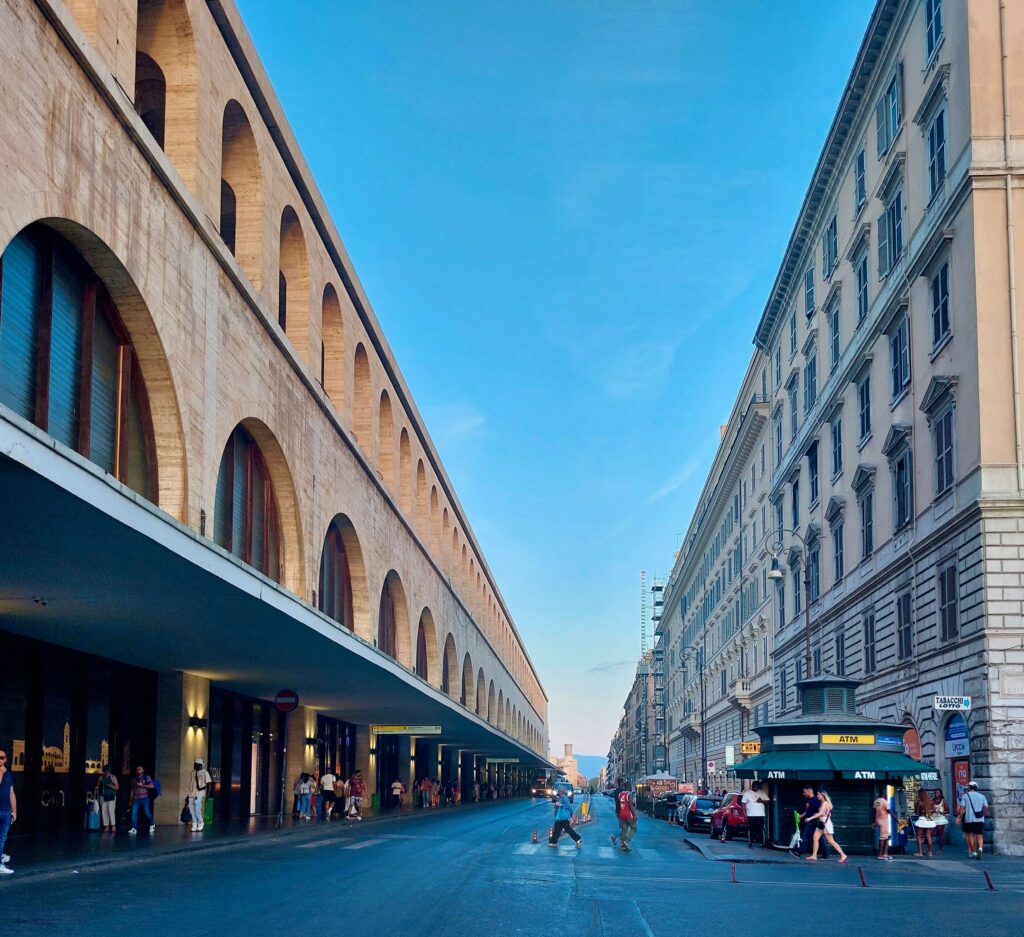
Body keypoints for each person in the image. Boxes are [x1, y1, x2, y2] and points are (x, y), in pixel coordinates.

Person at [806, 789, 848, 863]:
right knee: (815, 838)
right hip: (821, 823)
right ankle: (814, 855)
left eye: (818, 794)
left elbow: (821, 813)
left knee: (831, 841)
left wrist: (810, 818)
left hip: (825, 824)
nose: (817, 796)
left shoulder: (825, 803)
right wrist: (817, 815)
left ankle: (843, 855)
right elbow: (828, 814)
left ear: (823, 795)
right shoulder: (824, 803)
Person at [957, 780, 989, 859]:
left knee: (970, 835)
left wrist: (959, 817)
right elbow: (986, 807)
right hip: (980, 819)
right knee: (979, 835)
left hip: (969, 819)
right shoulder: (982, 796)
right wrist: (982, 814)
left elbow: (962, 808)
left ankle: (974, 851)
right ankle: (980, 849)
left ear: (969, 787)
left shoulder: (965, 796)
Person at [792, 786, 825, 858]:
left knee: (806, 836)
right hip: (810, 821)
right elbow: (808, 811)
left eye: (805, 792)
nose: (803, 793)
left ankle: (799, 852)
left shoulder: (816, 800)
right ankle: (825, 853)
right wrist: (801, 816)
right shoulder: (809, 800)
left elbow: (820, 810)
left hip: (813, 822)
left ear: (809, 791)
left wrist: (817, 816)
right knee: (819, 838)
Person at [610, 777, 637, 853]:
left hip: (618, 811)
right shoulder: (626, 793)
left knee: (623, 827)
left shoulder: (617, 792)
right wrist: (634, 814)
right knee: (631, 828)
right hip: (626, 812)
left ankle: (622, 844)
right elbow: (630, 805)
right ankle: (622, 841)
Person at [0, 749, 16, 875]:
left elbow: (11, 793)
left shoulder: (9, 775)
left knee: (2, 838)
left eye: (1, 757)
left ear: (5, 759)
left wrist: (14, 811)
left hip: (5, 811)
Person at [129, 765, 156, 835]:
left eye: (140, 769)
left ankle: (152, 824)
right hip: (136, 798)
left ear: (143, 770)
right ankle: (134, 828)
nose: (138, 770)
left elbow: (152, 786)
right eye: (137, 769)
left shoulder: (146, 777)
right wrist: (130, 800)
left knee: (147, 813)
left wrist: (142, 785)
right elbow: (132, 789)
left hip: (144, 798)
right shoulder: (134, 779)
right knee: (134, 814)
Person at [187, 759, 211, 832]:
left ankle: (200, 822)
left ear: (200, 765)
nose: (195, 765)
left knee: (197, 809)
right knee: (191, 809)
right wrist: (188, 794)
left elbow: (209, 783)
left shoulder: (204, 772)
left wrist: (207, 794)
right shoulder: (192, 772)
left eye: (196, 764)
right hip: (191, 793)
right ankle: (194, 823)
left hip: (199, 793)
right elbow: (191, 783)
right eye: (195, 764)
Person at [741, 782, 768, 848]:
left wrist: (761, 801)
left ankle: (762, 843)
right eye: (755, 787)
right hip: (751, 815)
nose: (756, 788)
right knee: (751, 829)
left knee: (761, 829)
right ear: (752, 786)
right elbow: (743, 804)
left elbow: (768, 800)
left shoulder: (762, 792)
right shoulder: (747, 793)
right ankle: (751, 842)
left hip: (761, 814)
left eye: (757, 787)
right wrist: (745, 814)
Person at [94, 764, 119, 833]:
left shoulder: (113, 777)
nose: (107, 773)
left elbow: (117, 787)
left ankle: (113, 825)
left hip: (111, 796)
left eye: (108, 771)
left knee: (111, 810)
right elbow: (98, 786)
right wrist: (97, 788)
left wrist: (111, 786)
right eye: (106, 771)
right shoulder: (101, 777)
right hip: (103, 796)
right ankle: (106, 826)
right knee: (104, 811)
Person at [914, 788, 936, 858]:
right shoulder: (931, 802)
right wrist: (929, 813)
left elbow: (917, 812)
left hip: (921, 819)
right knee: (928, 836)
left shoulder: (920, 803)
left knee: (919, 836)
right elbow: (934, 811)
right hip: (929, 820)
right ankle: (930, 852)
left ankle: (920, 852)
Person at [873, 792, 894, 861]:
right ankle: (880, 855)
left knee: (886, 837)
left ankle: (885, 853)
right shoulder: (885, 802)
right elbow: (889, 811)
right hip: (884, 821)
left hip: (878, 820)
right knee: (882, 838)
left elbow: (874, 812)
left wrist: (874, 822)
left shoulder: (876, 801)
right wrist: (897, 820)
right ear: (884, 794)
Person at [931, 789, 949, 853]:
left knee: (940, 834)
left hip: (940, 818)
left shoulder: (944, 801)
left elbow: (947, 810)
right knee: (931, 834)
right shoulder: (932, 801)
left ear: (941, 794)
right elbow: (930, 809)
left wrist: (942, 812)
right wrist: (932, 811)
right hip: (933, 818)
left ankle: (940, 849)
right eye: (935, 793)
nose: (936, 794)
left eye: (937, 793)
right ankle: (930, 849)